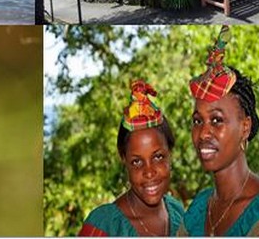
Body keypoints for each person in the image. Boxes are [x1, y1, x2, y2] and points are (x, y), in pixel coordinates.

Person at [179, 26, 259, 236]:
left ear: (245, 127)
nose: (203, 133)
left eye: (217, 120)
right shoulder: (198, 209)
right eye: (198, 121)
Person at [79, 80, 185, 236]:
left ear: (170, 153)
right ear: (123, 159)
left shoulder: (178, 214)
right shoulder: (104, 226)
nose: (149, 172)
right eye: (137, 162)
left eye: (157, 157)